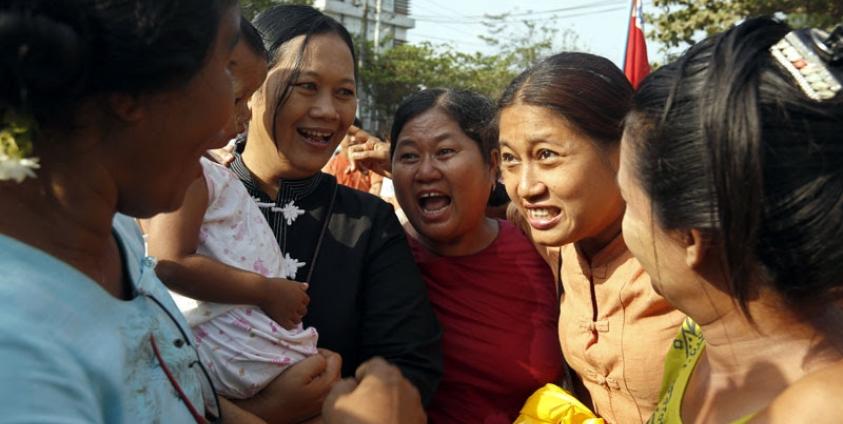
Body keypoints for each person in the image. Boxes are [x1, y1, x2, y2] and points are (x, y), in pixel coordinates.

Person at [618, 17, 843, 423]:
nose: (625, 224)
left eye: (627, 203)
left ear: (691, 238)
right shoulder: (698, 336)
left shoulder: (819, 410)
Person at [232, 4, 442, 403]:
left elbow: (410, 366)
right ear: (253, 84)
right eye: (306, 86)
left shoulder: (369, 222)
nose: (328, 111)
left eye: (344, 92)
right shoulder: (191, 197)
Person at [497, 53, 686, 423]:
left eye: (547, 155)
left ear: (624, 148)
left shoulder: (691, 252)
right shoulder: (551, 238)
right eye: (509, 159)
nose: (525, 186)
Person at [143, 17, 322, 404]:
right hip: (232, 344)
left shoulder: (200, 168)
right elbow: (169, 261)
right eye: (238, 98)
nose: (245, 115)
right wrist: (266, 291)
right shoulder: (187, 171)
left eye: (250, 99)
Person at [384, 88, 563, 423]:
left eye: (445, 151)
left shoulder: (542, 248)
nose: (426, 172)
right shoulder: (378, 257)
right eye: (408, 156)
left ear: (492, 164)